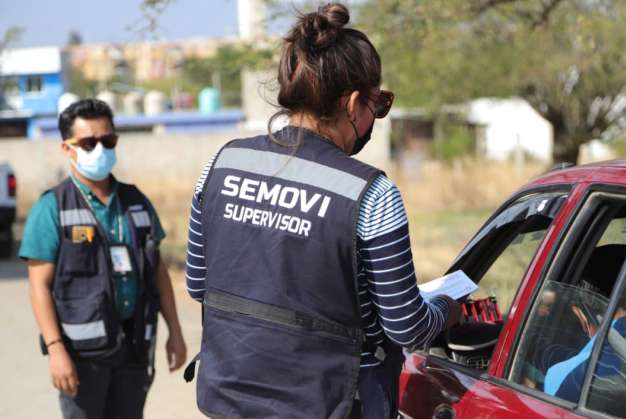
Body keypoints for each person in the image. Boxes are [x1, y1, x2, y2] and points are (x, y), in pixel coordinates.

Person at [184, 3, 461, 418]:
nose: (374, 120)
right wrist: (448, 310)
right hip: (330, 403)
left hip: (230, 398)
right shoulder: (373, 193)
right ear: (353, 104)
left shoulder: (221, 164)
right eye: (378, 106)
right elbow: (407, 326)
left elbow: (197, 284)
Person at [20, 99, 187, 419]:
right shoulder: (52, 208)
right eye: (88, 142)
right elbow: (38, 286)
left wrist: (175, 332)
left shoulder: (136, 202)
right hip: (82, 354)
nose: (100, 149)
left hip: (135, 345)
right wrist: (56, 350)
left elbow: (158, 273)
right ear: (67, 149)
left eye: (107, 140)